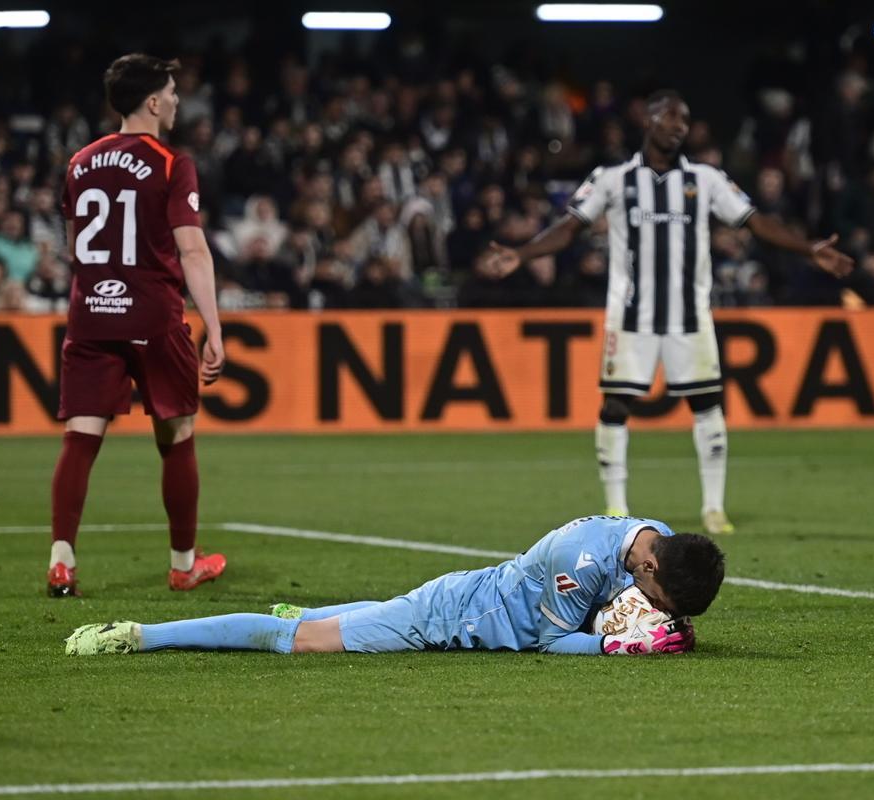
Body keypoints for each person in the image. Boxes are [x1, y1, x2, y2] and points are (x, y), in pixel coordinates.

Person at [482, 90, 854, 535]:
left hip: (689, 316)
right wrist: (523, 254)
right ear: (648, 119)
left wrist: (809, 248)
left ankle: (714, 509)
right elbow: (570, 227)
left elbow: (756, 222)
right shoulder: (613, 178)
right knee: (617, 403)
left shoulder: (707, 179)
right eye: (672, 117)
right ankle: (616, 508)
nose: (680, 126)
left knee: (707, 403)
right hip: (631, 316)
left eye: (685, 119)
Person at [48, 54, 227, 598]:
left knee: (81, 438)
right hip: (152, 314)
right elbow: (191, 249)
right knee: (177, 434)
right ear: (152, 101)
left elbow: (75, 239)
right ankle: (182, 564)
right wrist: (214, 328)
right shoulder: (173, 163)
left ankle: (61, 561)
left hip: (91, 315)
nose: (176, 100)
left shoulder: (79, 162)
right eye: (172, 92)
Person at [64, 515, 723, 656]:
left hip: (476, 594)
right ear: (652, 570)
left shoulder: (654, 535)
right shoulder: (581, 560)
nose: (651, 608)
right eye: (659, 601)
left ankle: (308, 607)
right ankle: (137, 635)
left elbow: (610, 609)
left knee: (325, 618)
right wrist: (618, 647)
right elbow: (551, 645)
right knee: (295, 642)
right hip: (453, 617)